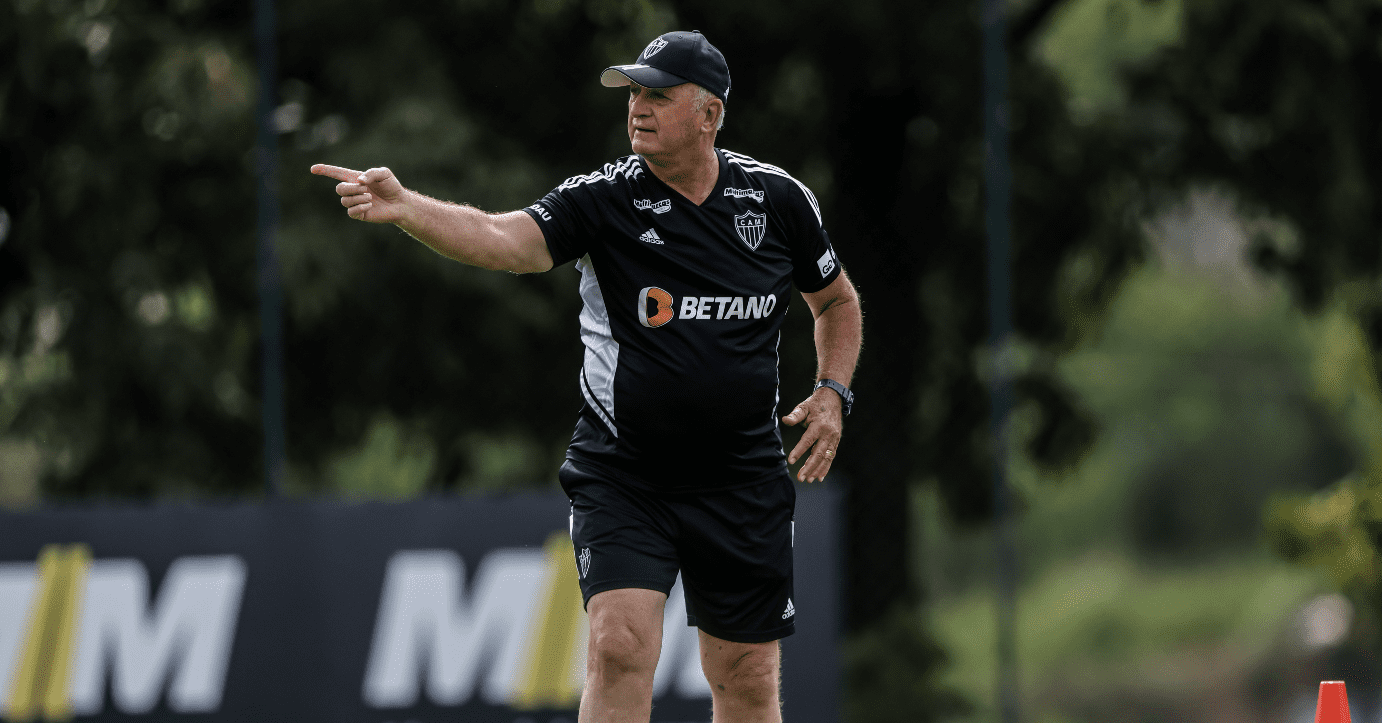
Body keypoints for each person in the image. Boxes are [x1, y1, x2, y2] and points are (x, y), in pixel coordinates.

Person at [312, 30, 862, 723]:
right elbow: (505, 240)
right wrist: (407, 208)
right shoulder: (603, 199)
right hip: (625, 471)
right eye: (633, 91)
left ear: (710, 114)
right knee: (617, 644)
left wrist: (833, 392)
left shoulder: (777, 201)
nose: (638, 106)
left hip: (741, 475)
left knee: (746, 674)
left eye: (658, 94)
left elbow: (836, 300)